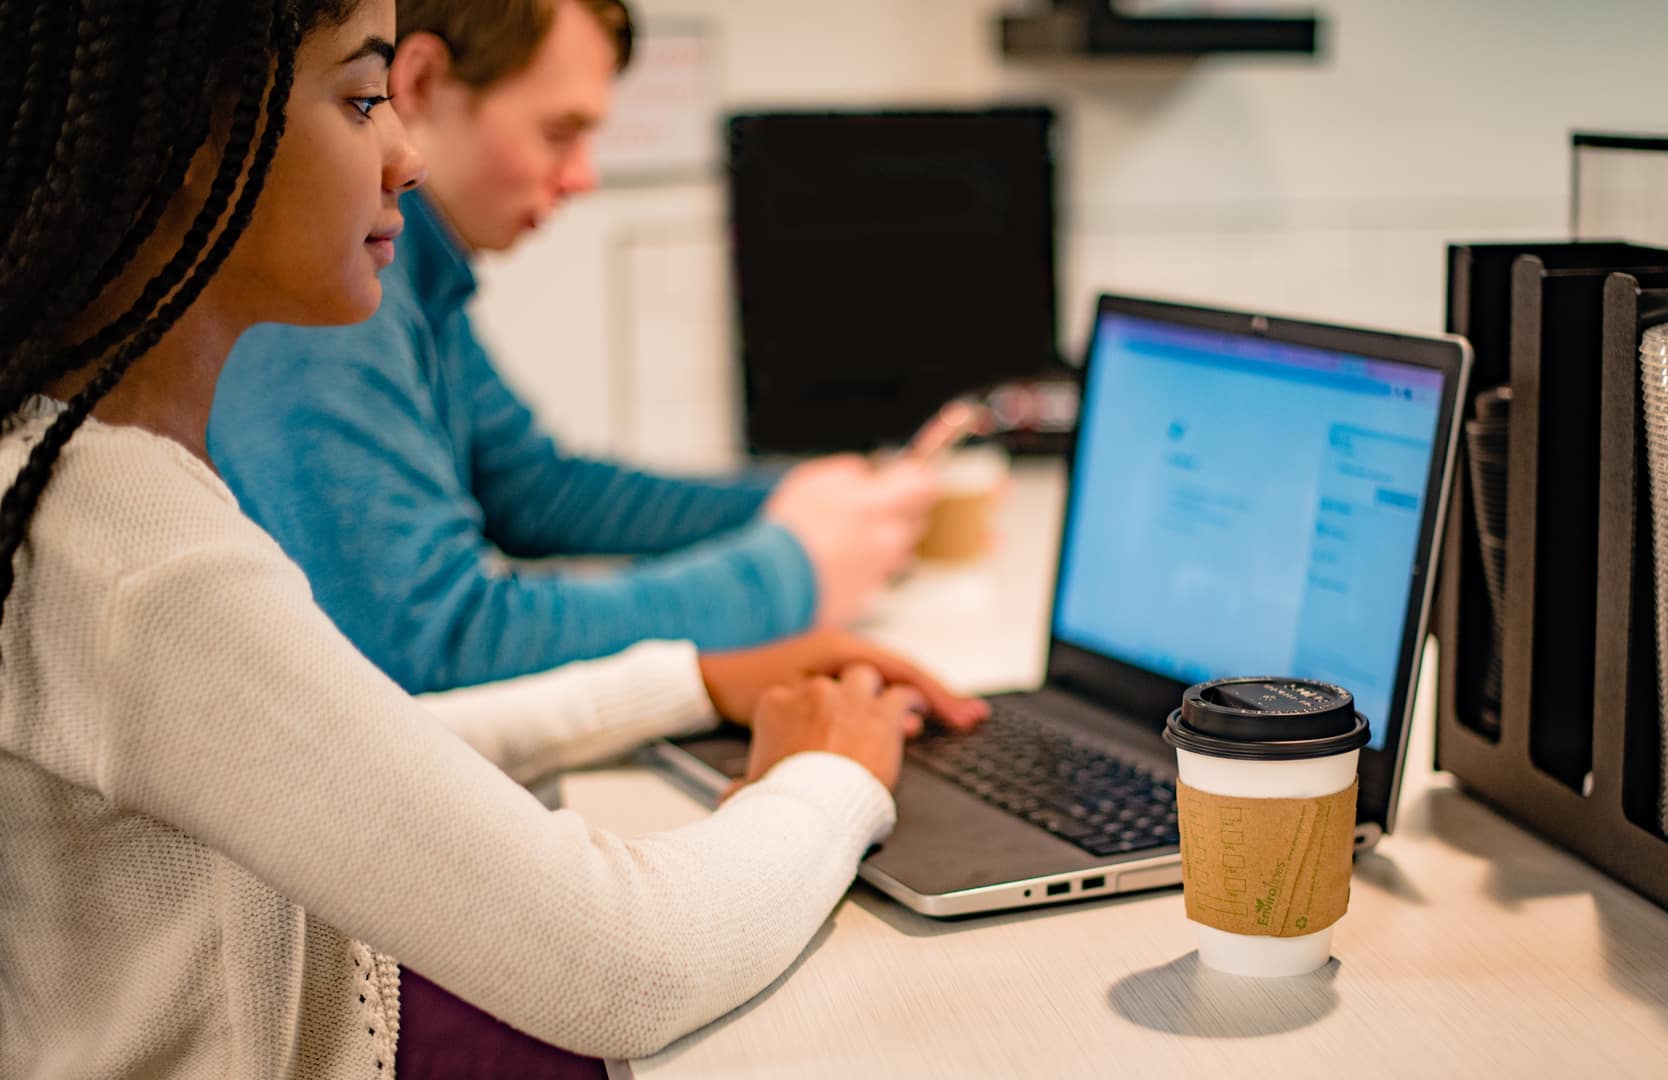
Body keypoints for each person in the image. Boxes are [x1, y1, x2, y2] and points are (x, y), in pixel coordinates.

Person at [0, 1, 983, 1075]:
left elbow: (356, 745)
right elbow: (628, 965)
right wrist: (830, 777)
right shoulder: (145, 561)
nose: (406, 157)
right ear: (194, 137)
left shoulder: (94, 484)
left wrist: (688, 682)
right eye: (363, 100)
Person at [206, 0, 935, 696]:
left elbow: (534, 491)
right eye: (560, 133)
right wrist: (789, 575)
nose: (584, 177)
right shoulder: (333, 303)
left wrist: (794, 502)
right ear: (420, 83)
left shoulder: (414, 279)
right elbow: (431, 641)